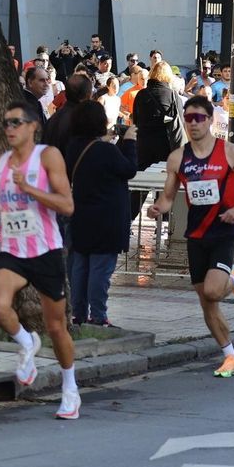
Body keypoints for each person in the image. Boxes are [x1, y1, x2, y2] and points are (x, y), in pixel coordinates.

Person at [148, 96, 234, 377]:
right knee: (206, 301)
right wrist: (157, 209)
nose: (192, 123)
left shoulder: (230, 152)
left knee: (214, 290)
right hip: (196, 234)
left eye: (198, 118)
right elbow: (167, 198)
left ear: (211, 120)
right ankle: (231, 357)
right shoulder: (178, 158)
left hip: (224, 231)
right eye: (188, 118)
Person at [0, 102, 79, 419]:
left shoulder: (47, 157)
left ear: (32, 126)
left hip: (45, 250)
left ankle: (70, 389)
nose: (9, 128)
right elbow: (1, 202)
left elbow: (67, 205)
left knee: (56, 327)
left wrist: (29, 188)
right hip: (13, 250)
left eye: (16, 122)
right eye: (6, 124)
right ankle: (27, 343)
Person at [66, 102, 137, 325]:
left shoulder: (73, 146)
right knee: (100, 269)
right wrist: (129, 142)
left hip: (80, 215)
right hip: (106, 218)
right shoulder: (105, 150)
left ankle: (78, 313)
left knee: (80, 266)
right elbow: (128, 169)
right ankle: (98, 315)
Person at [132, 60, 184, 169]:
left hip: (143, 146)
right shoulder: (173, 96)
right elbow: (180, 122)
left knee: (143, 180)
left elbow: (135, 120)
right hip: (166, 145)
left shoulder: (141, 95)